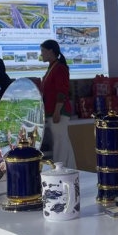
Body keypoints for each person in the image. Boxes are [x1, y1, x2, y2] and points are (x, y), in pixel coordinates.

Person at [39, 39, 76, 168]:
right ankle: (71, 168)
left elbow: (62, 91)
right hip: (52, 110)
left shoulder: (60, 68)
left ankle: (59, 169)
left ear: (50, 51)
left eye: (43, 51)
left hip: (59, 111)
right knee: (63, 141)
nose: (41, 54)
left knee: (60, 142)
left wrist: (57, 111)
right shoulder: (52, 67)